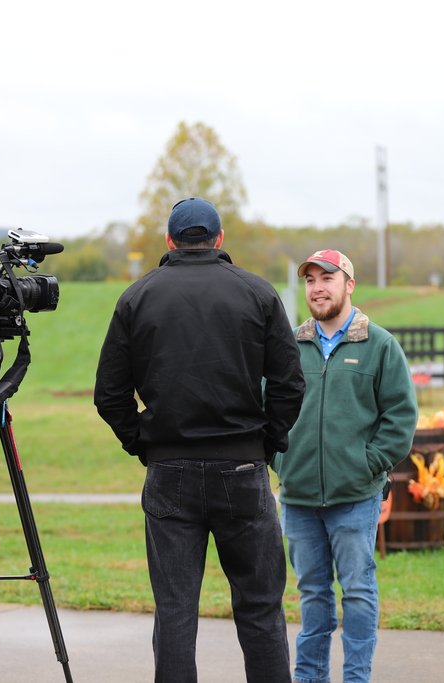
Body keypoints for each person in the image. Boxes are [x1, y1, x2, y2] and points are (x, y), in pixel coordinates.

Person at [94, 197, 305, 683]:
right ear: (219, 240)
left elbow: (109, 394)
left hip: (170, 473)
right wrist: (266, 443)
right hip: (243, 470)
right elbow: (290, 383)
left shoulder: (137, 297)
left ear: (170, 241)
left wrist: (145, 445)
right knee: (260, 610)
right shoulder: (257, 292)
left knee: (174, 612)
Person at [273, 249, 418, 683]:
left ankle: (356, 678)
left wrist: (366, 465)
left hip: (356, 496)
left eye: (327, 278)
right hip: (297, 498)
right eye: (311, 280)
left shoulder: (379, 345)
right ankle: (310, 678)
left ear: (349, 285)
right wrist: (283, 460)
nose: (317, 287)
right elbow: (266, 409)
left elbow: (400, 418)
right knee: (311, 594)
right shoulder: (287, 346)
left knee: (357, 591)